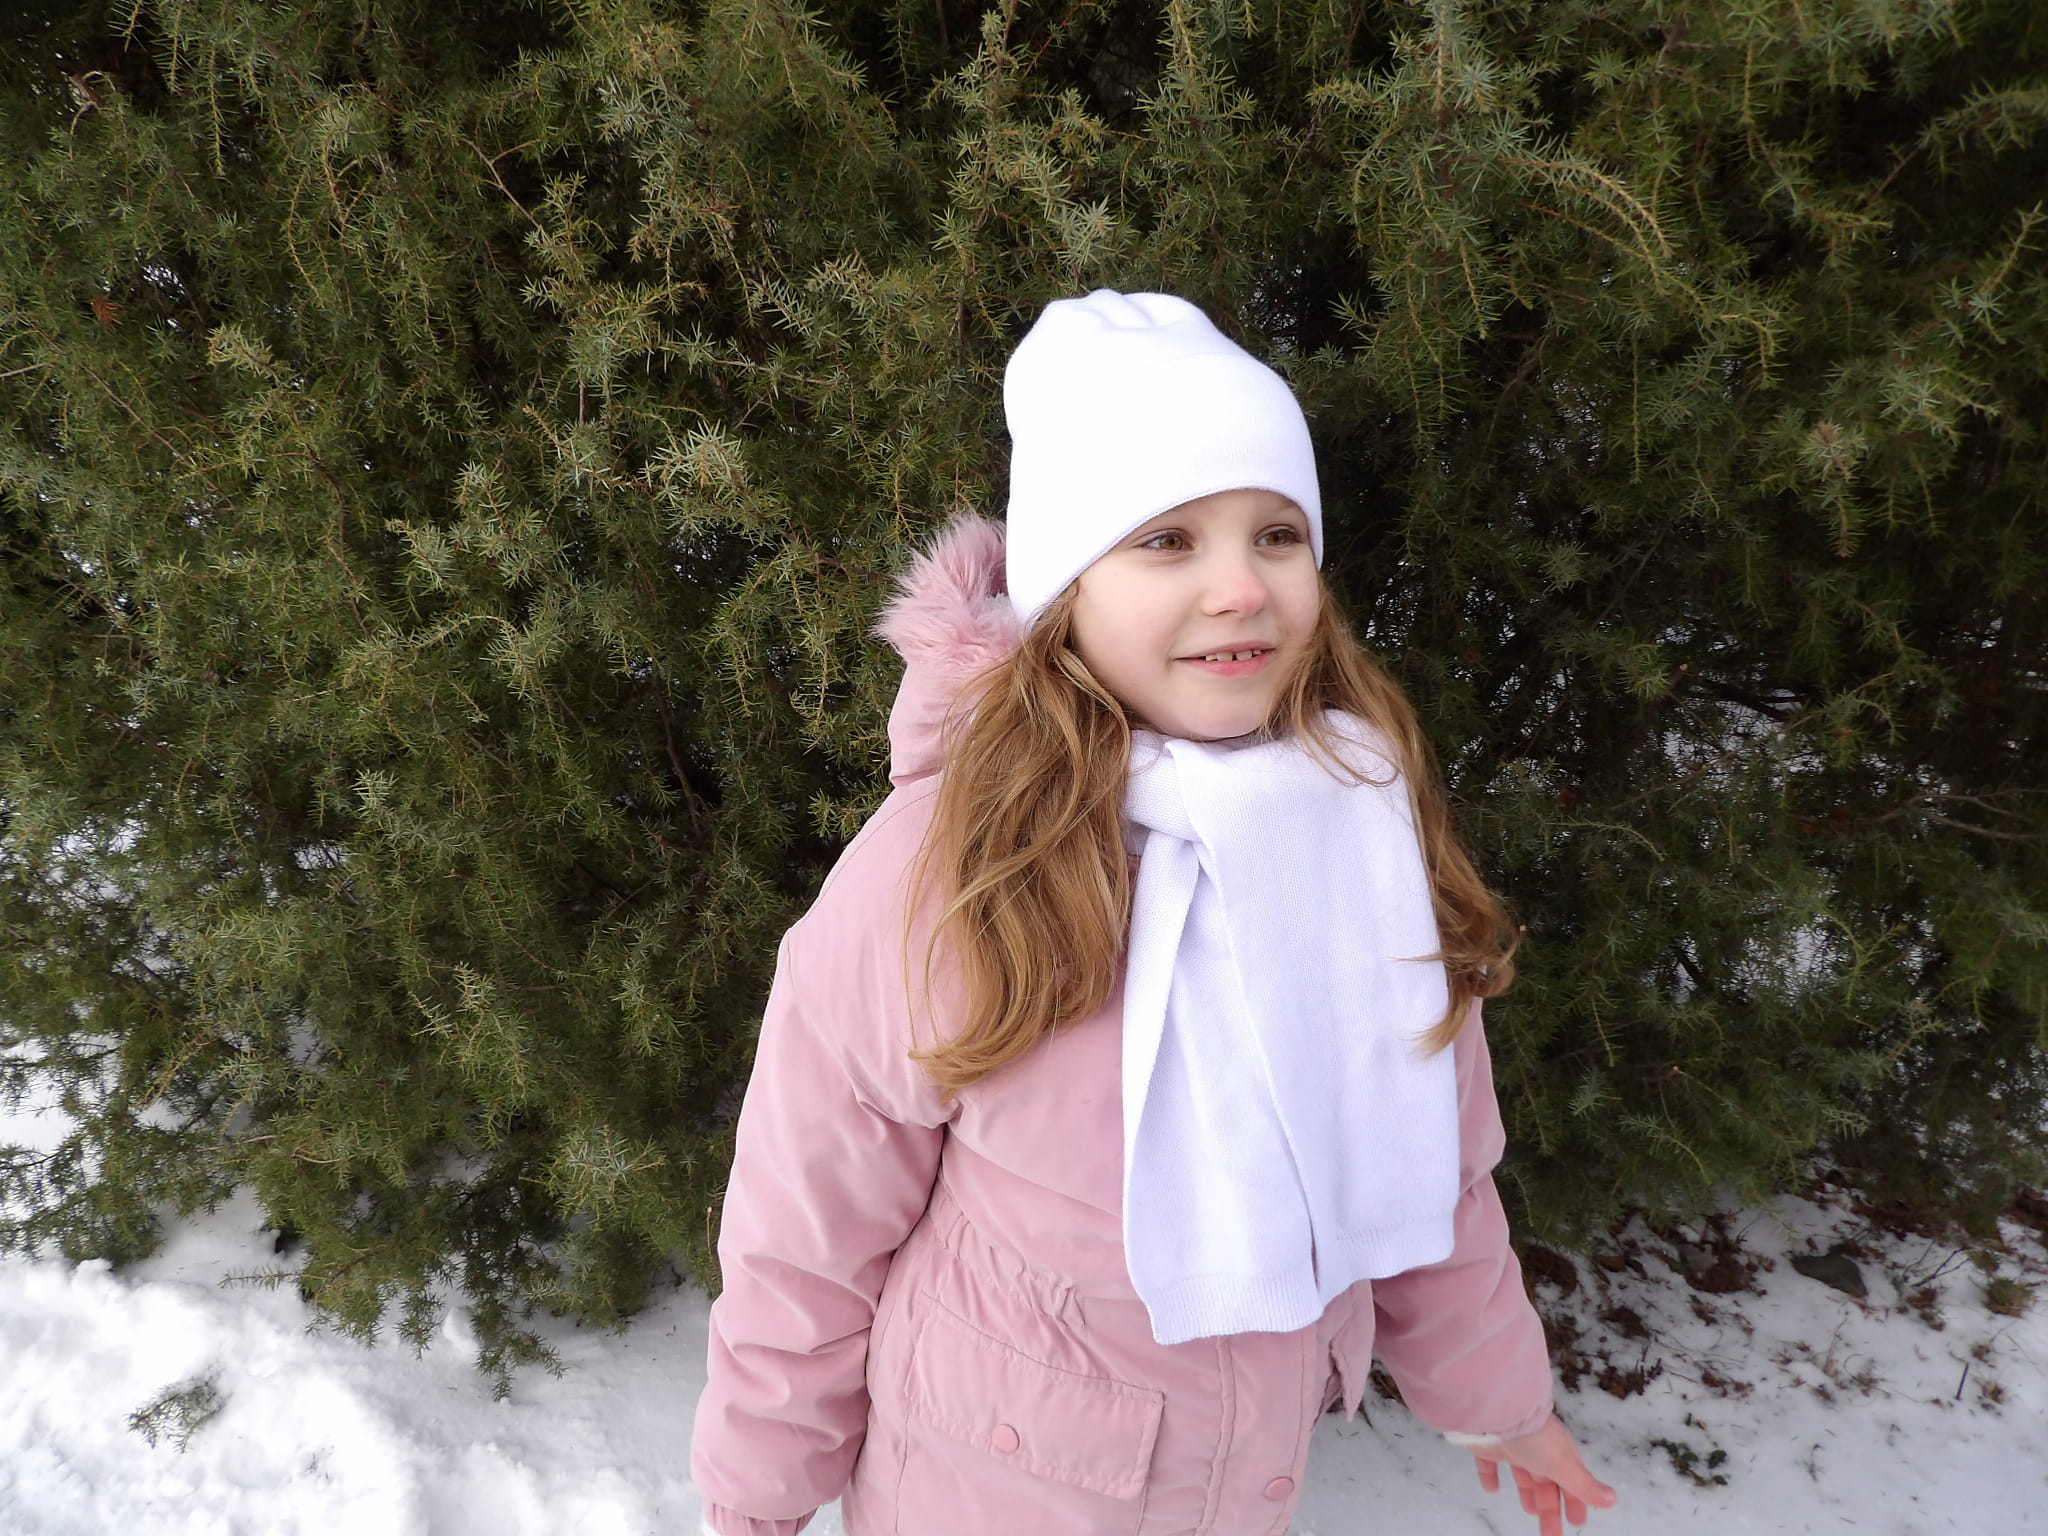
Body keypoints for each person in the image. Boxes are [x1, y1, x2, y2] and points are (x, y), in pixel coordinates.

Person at [690, 289, 1618, 1536]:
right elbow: (807, 1225)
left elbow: (1423, 1168)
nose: (1239, 587)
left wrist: (1497, 1400)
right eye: (1167, 539)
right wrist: (757, 1496)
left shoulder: (1352, 831)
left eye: (1275, 535)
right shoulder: (951, 868)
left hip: (1237, 1490)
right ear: (1065, 589)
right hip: (982, 1489)